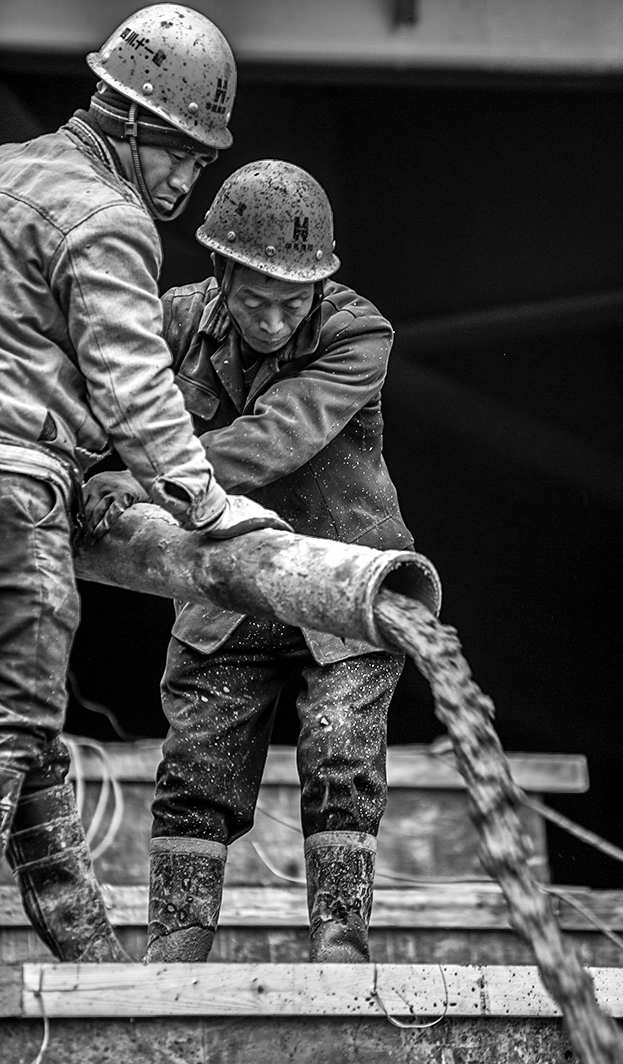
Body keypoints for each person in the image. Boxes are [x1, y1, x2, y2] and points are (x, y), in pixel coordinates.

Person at [0, 7, 288, 963]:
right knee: (13, 728)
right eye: (184, 158)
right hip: (15, 495)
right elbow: (135, 387)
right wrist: (205, 503)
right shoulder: (108, 217)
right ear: (131, 128)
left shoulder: (7, 173)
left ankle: (90, 954)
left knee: (26, 737)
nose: (185, 182)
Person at [85, 160, 415, 964]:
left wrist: (144, 476)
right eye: (253, 300)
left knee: (342, 752)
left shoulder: (357, 334)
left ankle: (340, 951)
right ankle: (177, 952)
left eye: (290, 303)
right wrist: (74, 459)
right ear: (221, 273)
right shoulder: (175, 319)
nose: (271, 322)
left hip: (345, 581)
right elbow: (104, 379)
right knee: (197, 765)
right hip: (227, 584)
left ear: (318, 289)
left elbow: (275, 435)